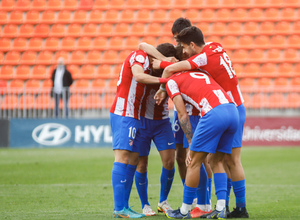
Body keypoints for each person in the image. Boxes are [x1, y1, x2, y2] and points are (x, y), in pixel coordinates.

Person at [155, 26, 249, 218]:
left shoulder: (200, 59)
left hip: (218, 109)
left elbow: (173, 69)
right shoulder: (216, 46)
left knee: (204, 161)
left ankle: (187, 210)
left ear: (192, 44)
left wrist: (162, 82)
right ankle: (227, 207)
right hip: (235, 105)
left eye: (184, 47)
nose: (184, 52)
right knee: (221, 160)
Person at [139, 18, 213, 218]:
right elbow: (144, 46)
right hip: (179, 114)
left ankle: (204, 200)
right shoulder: (171, 52)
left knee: (199, 158)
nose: (176, 44)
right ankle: (191, 196)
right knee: (181, 158)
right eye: (175, 40)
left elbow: (177, 69)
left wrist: (164, 64)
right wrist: (166, 61)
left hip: (196, 112)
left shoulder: (194, 55)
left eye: (178, 41)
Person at [110, 43, 176, 218]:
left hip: (136, 116)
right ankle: (121, 208)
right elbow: (139, 71)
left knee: (130, 158)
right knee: (125, 158)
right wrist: (165, 79)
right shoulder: (140, 57)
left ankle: (124, 206)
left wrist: (165, 66)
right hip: (127, 113)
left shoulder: (149, 62)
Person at [164, 69, 239, 219]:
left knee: (193, 162)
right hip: (232, 110)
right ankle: (221, 208)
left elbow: (182, 114)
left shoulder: (172, 81)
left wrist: (190, 142)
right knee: (216, 161)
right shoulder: (203, 73)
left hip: (214, 112)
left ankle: (184, 211)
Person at [134, 43, 177, 216]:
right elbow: (142, 44)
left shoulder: (171, 72)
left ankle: (163, 201)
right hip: (142, 122)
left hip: (162, 123)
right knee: (142, 165)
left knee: (169, 162)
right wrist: (162, 59)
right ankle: (145, 205)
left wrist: (166, 64)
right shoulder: (145, 70)